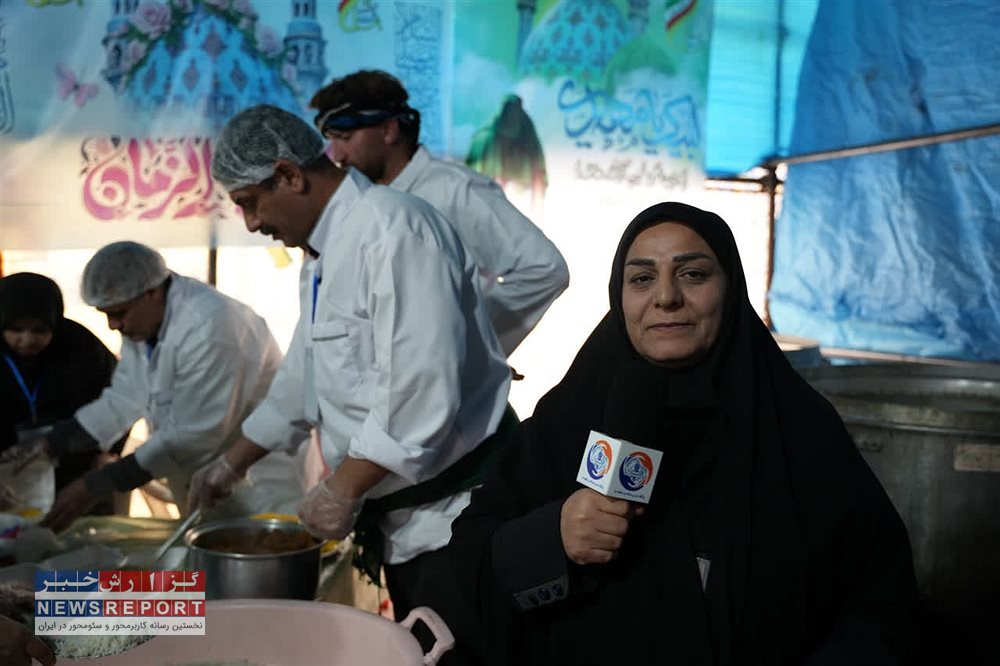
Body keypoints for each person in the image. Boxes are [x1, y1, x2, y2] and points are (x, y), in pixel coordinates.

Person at [449, 202, 919, 665]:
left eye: (693, 275)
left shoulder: (800, 429)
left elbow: (880, 601)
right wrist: (553, 536)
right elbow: (467, 563)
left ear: (730, 289)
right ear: (619, 295)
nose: (666, 297)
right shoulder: (566, 421)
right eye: (642, 278)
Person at [190, 104, 512, 666]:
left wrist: (342, 488)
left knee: (468, 655)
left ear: (289, 175)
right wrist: (230, 463)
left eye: (250, 202)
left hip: (457, 521)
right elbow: (303, 378)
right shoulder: (322, 255)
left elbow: (420, 391)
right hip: (406, 524)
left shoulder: (395, 229)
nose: (251, 223)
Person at [33, 241, 303, 532]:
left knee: (266, 551)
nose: (113, 325)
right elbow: (125, 395)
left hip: (260, 482)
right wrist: (58, 440)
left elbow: (195, 434)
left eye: (120, 313)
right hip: (206, 481)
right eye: (106, 314)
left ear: (152, 292)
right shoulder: (146, 324)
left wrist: (98, 483)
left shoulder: (211, 327)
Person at [309, 69, 569, 356]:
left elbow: (545, 269)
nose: (338, 155)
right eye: (331, 140)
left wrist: (468, 345)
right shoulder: (358, 202)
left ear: (388, 130)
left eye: (345, 137)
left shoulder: (454, 190)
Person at [0, 272, 121, 516]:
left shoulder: (81, 346)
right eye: (16, 329)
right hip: (7, 469)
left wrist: (109, 450)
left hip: (77, 463)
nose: (27, 340)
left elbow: (118, 400)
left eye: (40, 330)